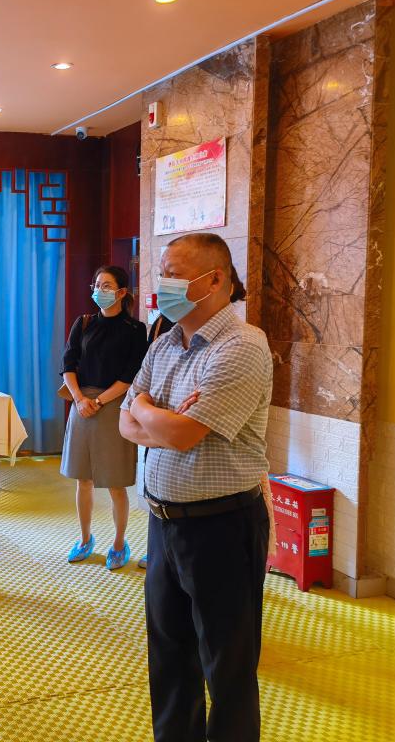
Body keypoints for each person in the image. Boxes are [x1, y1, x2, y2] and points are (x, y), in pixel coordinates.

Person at [119, 232, 272, 742]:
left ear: (214, 280)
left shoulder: (242, 346)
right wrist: (154, 413)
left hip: (223, 525)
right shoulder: (165, 343)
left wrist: (148, 408)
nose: (161, 283)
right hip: (163, 523)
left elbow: (183, 435)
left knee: (226, 666)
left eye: (174, 274)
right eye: (161, 272)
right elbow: (125, 423)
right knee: (169, 657)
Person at [59, 265, 148, 570]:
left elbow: (130, 375)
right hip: (81, 402)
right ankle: (85, 539)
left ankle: (119, 544)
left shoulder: (135, 330)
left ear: (122, 292)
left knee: (115, 481)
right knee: (83, 478)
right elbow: (68, 364)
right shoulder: (83, 323)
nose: (99, 290)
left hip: (114, 404)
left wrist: (98, 401)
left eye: (107, 285)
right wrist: (80, 399)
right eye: (97, 284)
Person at [137, 310, 175, 570]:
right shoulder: (161, 322)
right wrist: (141, 405)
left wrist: (139, 405)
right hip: (155, 411)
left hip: (171, 416)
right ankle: (156, 550)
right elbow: (128, 416)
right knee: (153, 485)